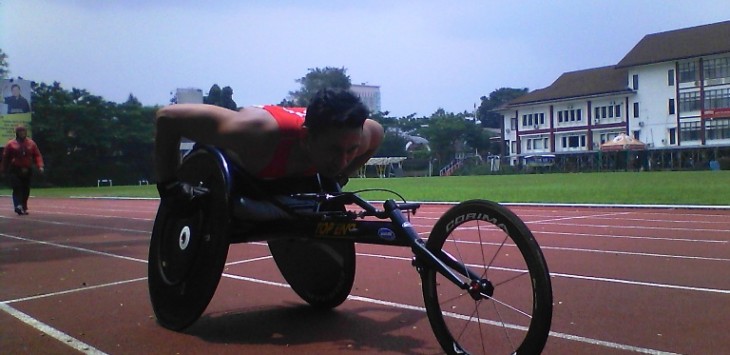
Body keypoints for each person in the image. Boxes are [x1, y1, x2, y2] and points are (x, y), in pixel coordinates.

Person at [155, 88, 383, 211]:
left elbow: (377, 134)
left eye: (350, 150)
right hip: (242, 160)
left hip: (283, 166)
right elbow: (167, 117)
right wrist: (170, 185)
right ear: (306, 137)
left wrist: (341, 175)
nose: (342, 159)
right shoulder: (255, 133)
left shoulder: (363, 135)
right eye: (334, 150)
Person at [1, 125, 44, 215]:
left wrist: (40, 165)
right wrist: (3, 169)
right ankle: (18, 205)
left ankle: (23, 206)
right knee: (17, 187)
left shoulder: (31, 143)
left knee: (26, 189)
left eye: (23, 131)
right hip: (15, 169)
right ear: (17, 133)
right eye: (20, 131)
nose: (22, 133)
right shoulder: (11, 144)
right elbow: (5, 158)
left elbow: (37, 155)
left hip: (27, 169)